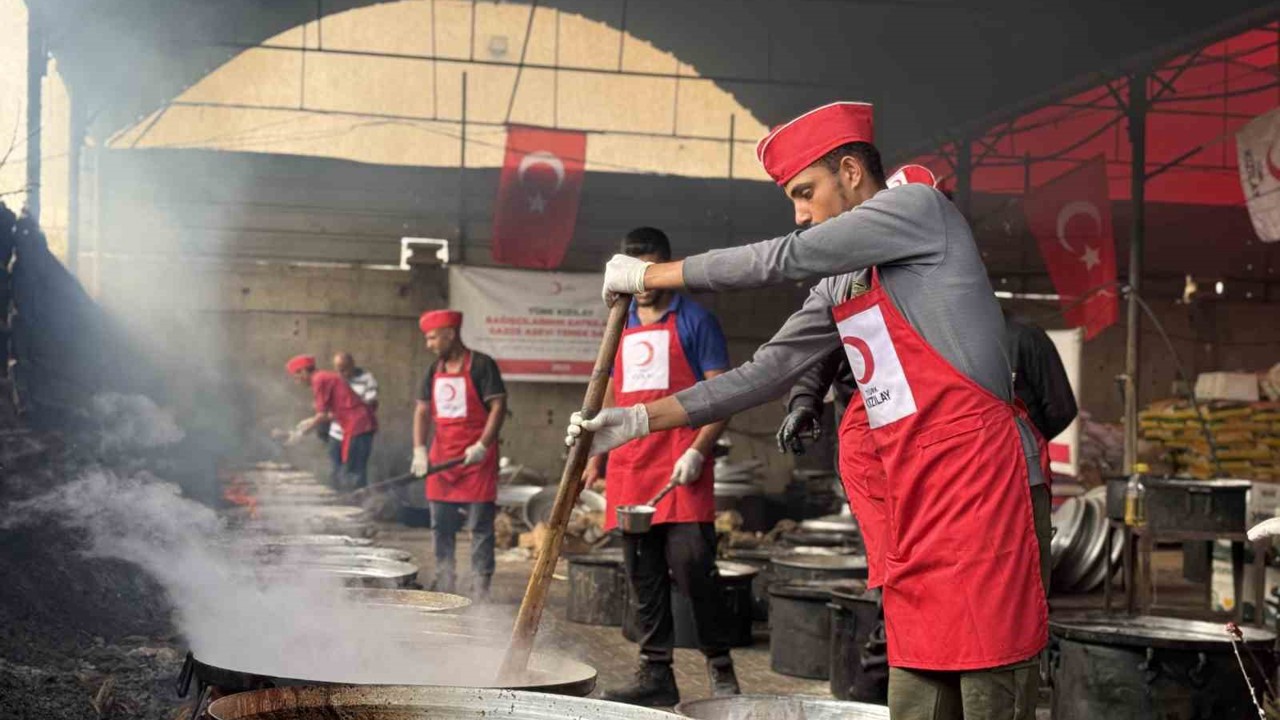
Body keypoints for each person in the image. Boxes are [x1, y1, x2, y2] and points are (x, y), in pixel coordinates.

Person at [567, 101, 1053, 720]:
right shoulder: (842, 281)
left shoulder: (920, 211)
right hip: (915, 497)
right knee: (917, 687)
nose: (800, 213)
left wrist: (654, 275)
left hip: (983, 486)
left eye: (805, 192)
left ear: (851, 171)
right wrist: (639, 420)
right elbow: (767, 370)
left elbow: (781, 258)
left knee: (989, 680)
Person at [581, 227, 739, 706]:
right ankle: (656, 674)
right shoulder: (618, 322)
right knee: (642, 573)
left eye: (649, 270)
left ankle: (719, 664)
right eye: (634, 273)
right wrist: (597, 457)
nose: (642, 282)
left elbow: (724, 392)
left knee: (692, 566)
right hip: (630, 465)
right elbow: (609, 394)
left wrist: (699, 449)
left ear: (666, 266)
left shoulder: (696, 321)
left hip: (680, 462)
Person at [411, 310, 506, 601]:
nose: (428, 344)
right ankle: (445, 580)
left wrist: (482, 445)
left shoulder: (481, 365)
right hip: (442, 459)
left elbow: (498, 407)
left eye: (432, 337)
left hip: (476, 458)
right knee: (441, 525)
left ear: (449, 334)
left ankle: (479, 587)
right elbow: (422, 411)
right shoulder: (433, 370)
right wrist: (419, 450)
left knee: (479, 527)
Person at [285, 354, 377, 491]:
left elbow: (322, 415)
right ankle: (351, 500)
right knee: (346, 470)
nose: (297, 380)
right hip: (354, 425)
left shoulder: (319, 380)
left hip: (359, 426)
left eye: (296, 375)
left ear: (304, 371)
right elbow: (341, 408)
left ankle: (358, 505)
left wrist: (300, 433)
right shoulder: (324, 377)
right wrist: (310, 421)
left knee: (354, 472)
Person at [326, 352, 379, 489]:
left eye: (344, 369)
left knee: (356, 472)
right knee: (334, 470)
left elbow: (369, 405)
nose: (341, 373)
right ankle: (335, 502)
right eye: (337, 369)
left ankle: (357, 504)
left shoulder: (367, 379)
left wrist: (345, 403)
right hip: (336, 433)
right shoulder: (334, 380)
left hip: (358, 433)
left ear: (352, 365)